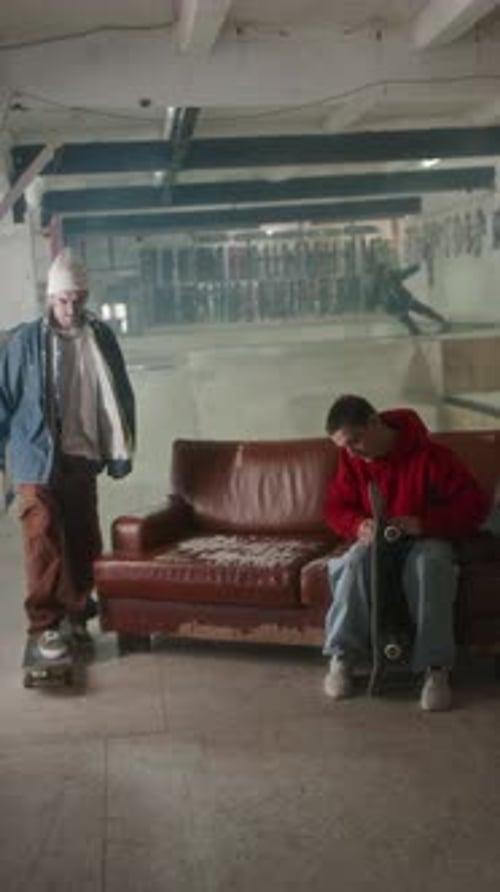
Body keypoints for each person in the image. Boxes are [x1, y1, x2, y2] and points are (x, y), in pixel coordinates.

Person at [0, 249, 135, 661]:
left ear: (86, 296)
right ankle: (44, 624)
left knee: (82, 538)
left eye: (77, 298)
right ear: (50, 297)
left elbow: (120, 394)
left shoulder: (101, 337)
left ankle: (76, 615)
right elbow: (2, 399)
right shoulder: (24, 341)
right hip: (34, 458)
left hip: (82, 453)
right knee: (42, 538)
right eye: (63, 300)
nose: (70, 308)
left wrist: (121, 449)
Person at [322, 394, 488, 711]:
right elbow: (334, 508)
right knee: (354, 562)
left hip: (426, 538)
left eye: (355, 441)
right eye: (344, 446)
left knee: (432, 564)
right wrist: (358, 526)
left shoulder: (434, 456)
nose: (351, 451)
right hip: (376, 540)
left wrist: (424, 523)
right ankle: (341, 658)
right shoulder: (351, 459)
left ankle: (436, 670)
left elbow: (474, 507)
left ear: (374, 422)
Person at [371, 263, 450, 336]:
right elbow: (374, 295)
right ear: (381, 273)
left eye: (388, 270)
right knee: (409, 323)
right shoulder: (378, 283)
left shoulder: (394, 275)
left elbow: (405, 273)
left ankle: (441, 321)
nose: (387, 272)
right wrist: (377, 305)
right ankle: (416, 333)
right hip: (394, 307)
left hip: (405, 300)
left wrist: (416, 267)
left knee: (423, 310)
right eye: (386, 271)